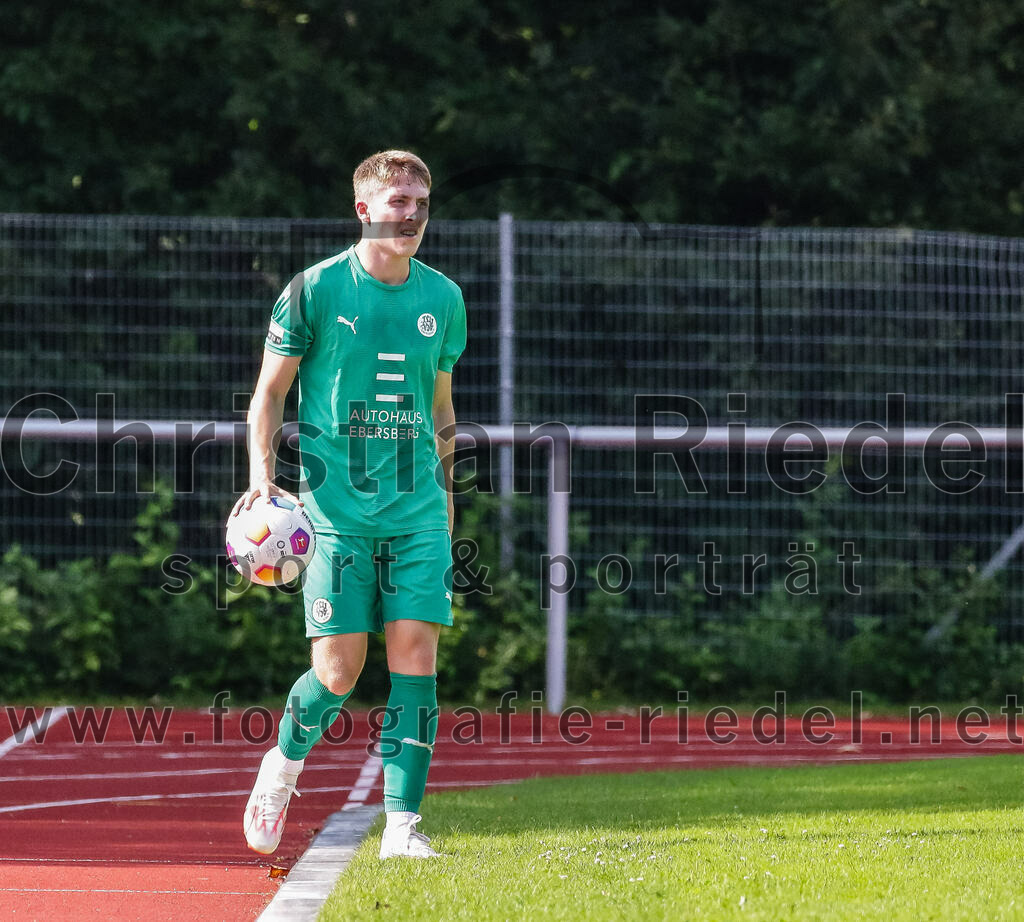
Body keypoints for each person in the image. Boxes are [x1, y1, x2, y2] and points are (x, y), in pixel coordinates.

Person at [234, 150, 466, 860]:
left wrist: (449, 497)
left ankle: (401, 827)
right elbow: (269, 394)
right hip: (333, 513)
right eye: (398, 201)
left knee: (416, 659)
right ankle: (282, 767)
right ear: (363, 208)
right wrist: (263, 478)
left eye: (421, 201)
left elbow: (443, 412)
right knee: (338, 672)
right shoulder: (313, 290)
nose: (412, 214)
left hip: (417, 510)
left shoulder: (445, 298)